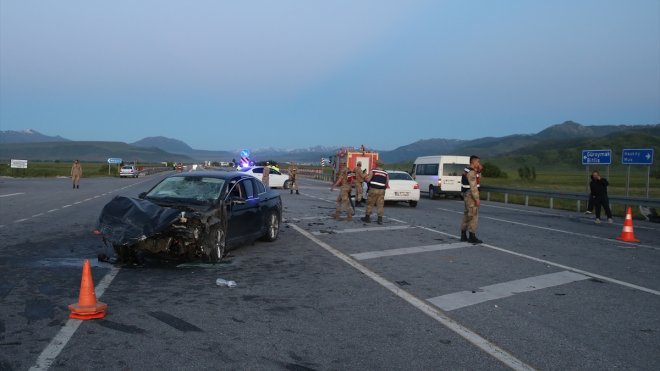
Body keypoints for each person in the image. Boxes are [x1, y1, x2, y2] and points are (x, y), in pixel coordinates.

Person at [460, 155, 482, 243]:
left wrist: (479, 170)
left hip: (466, 195)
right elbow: (473, 187)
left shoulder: (467, 170)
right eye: (478, 162)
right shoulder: (471, 173)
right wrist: (477, 198)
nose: (479, 164)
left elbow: (477, 174)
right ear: (473, 162)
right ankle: (472, 236)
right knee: (473, 216)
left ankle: (463, 235)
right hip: (471, 196)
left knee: (467, 215)